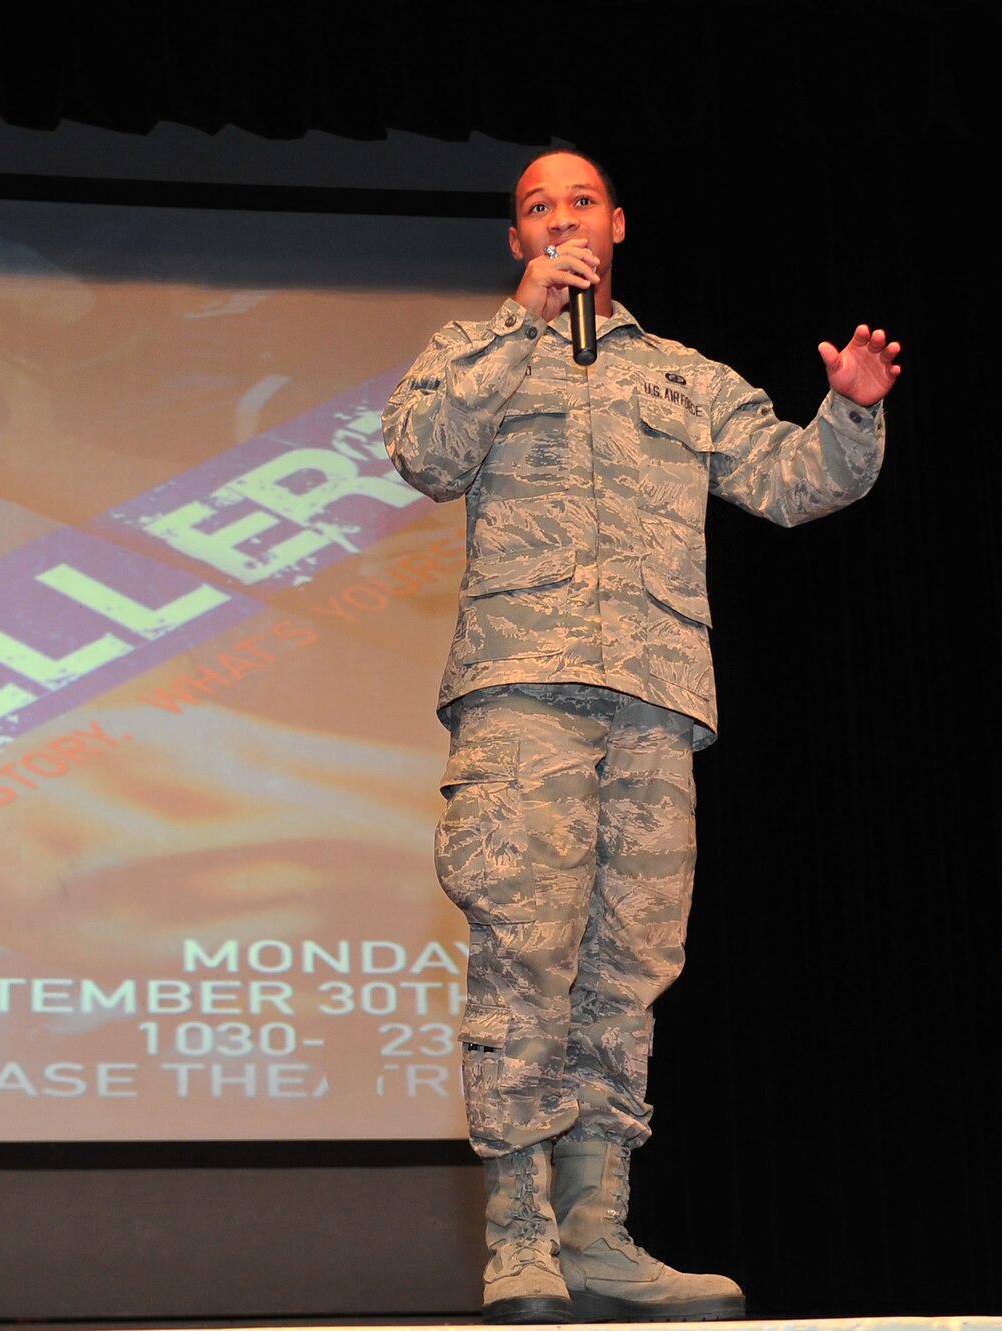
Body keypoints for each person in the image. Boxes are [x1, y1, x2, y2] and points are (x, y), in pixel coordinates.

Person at [382, 150, 901, 1323]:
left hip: (655, 703)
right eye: (533, 208)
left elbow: (788, 479)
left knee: (626, 972)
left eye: (576, 202)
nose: (559, 219)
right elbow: (424, 454)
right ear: (515, 242)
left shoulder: (681, 376)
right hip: (522, 691)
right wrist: (517, 329)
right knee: (525, 957)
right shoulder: (472, 353)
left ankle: (596, 1232)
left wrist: (849, 414)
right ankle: (516, 1237)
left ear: (616, 223)